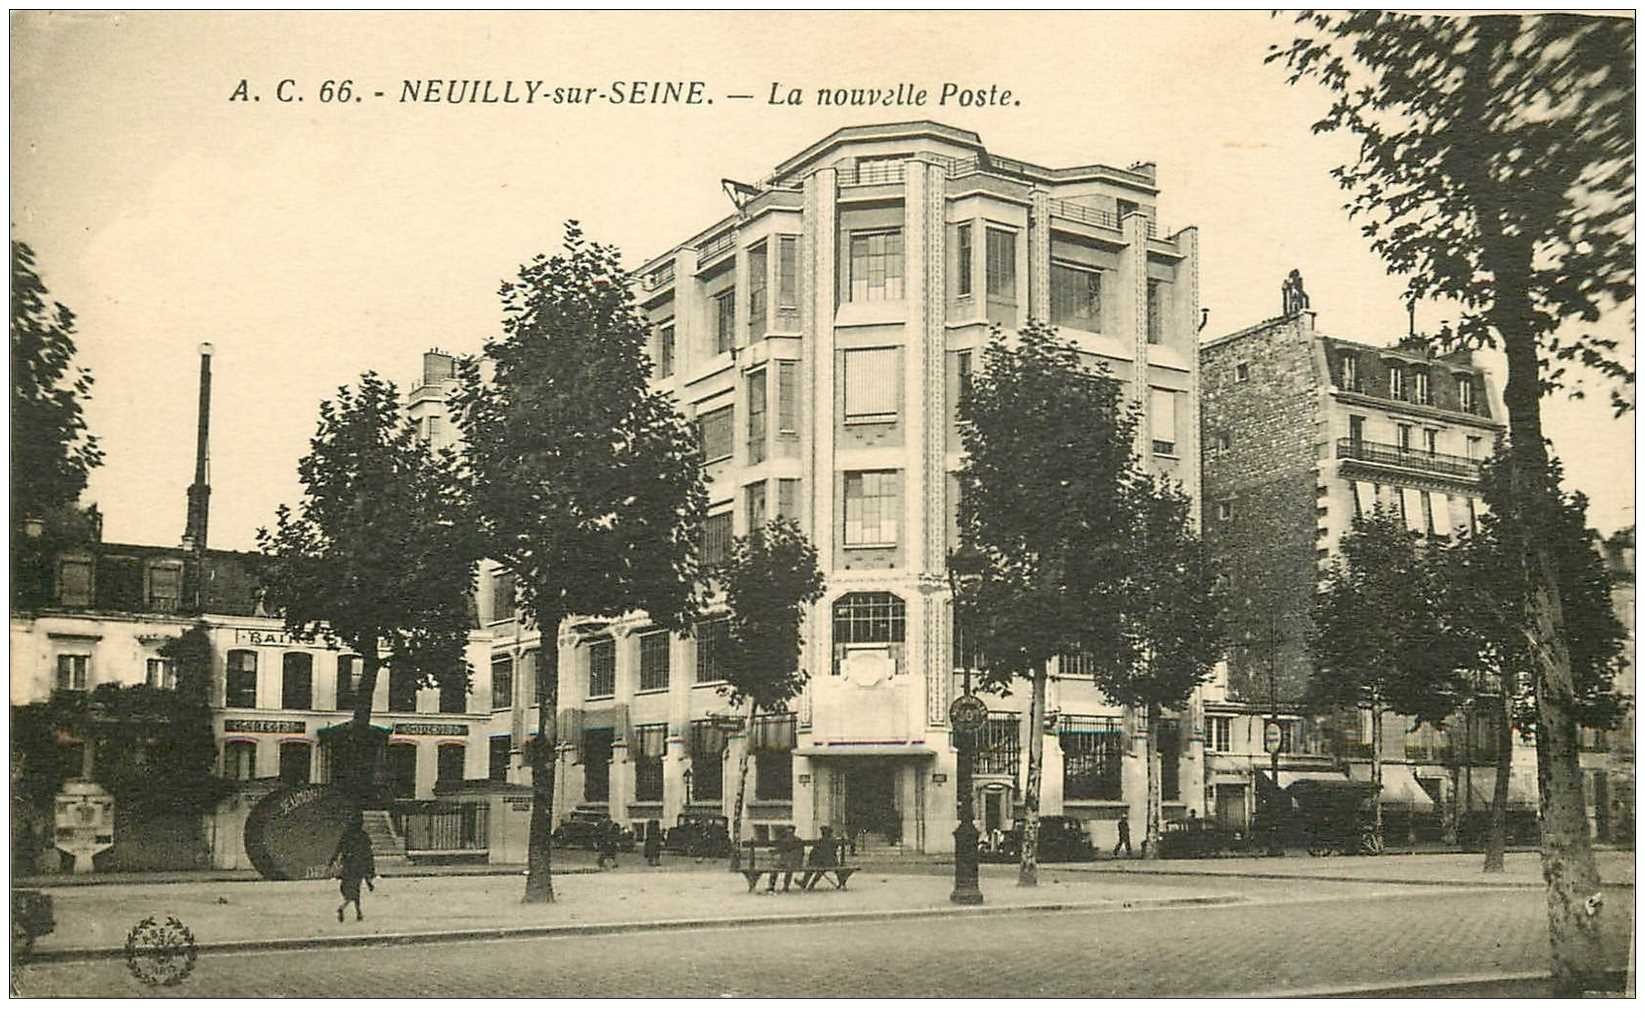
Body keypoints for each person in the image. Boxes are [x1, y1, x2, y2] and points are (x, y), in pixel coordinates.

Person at [331, 816, 376, 923]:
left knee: (349, 889)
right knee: (355, 890)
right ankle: (346, 908)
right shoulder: (363, 836)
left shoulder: (346, 835)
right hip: (358, 866)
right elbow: (368, 854)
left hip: (347, 865)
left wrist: (333, 860)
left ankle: (358, 912)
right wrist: (371, 871)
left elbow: (338, 848)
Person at [799, 825, 839, 890]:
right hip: (832, 862)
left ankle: (805, 882)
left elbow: (814, 852)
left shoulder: (822, 841)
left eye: (823, 832)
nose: (822, 833)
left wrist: (811, 859)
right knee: (818, 869)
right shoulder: (834, 840)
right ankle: (810, 884)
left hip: (823, 862)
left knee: (813, 867)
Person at [766, 828, 805, 893]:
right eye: (788, 832)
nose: (789, 834)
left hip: (791, 863)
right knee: (776, 868)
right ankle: (777, 886)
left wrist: (773, 852)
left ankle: (780, 886)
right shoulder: (796, 840)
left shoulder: (789, 840)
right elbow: (781, 850)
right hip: (788, 862)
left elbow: (780, 850)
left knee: (786, 868)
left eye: (790, 832)